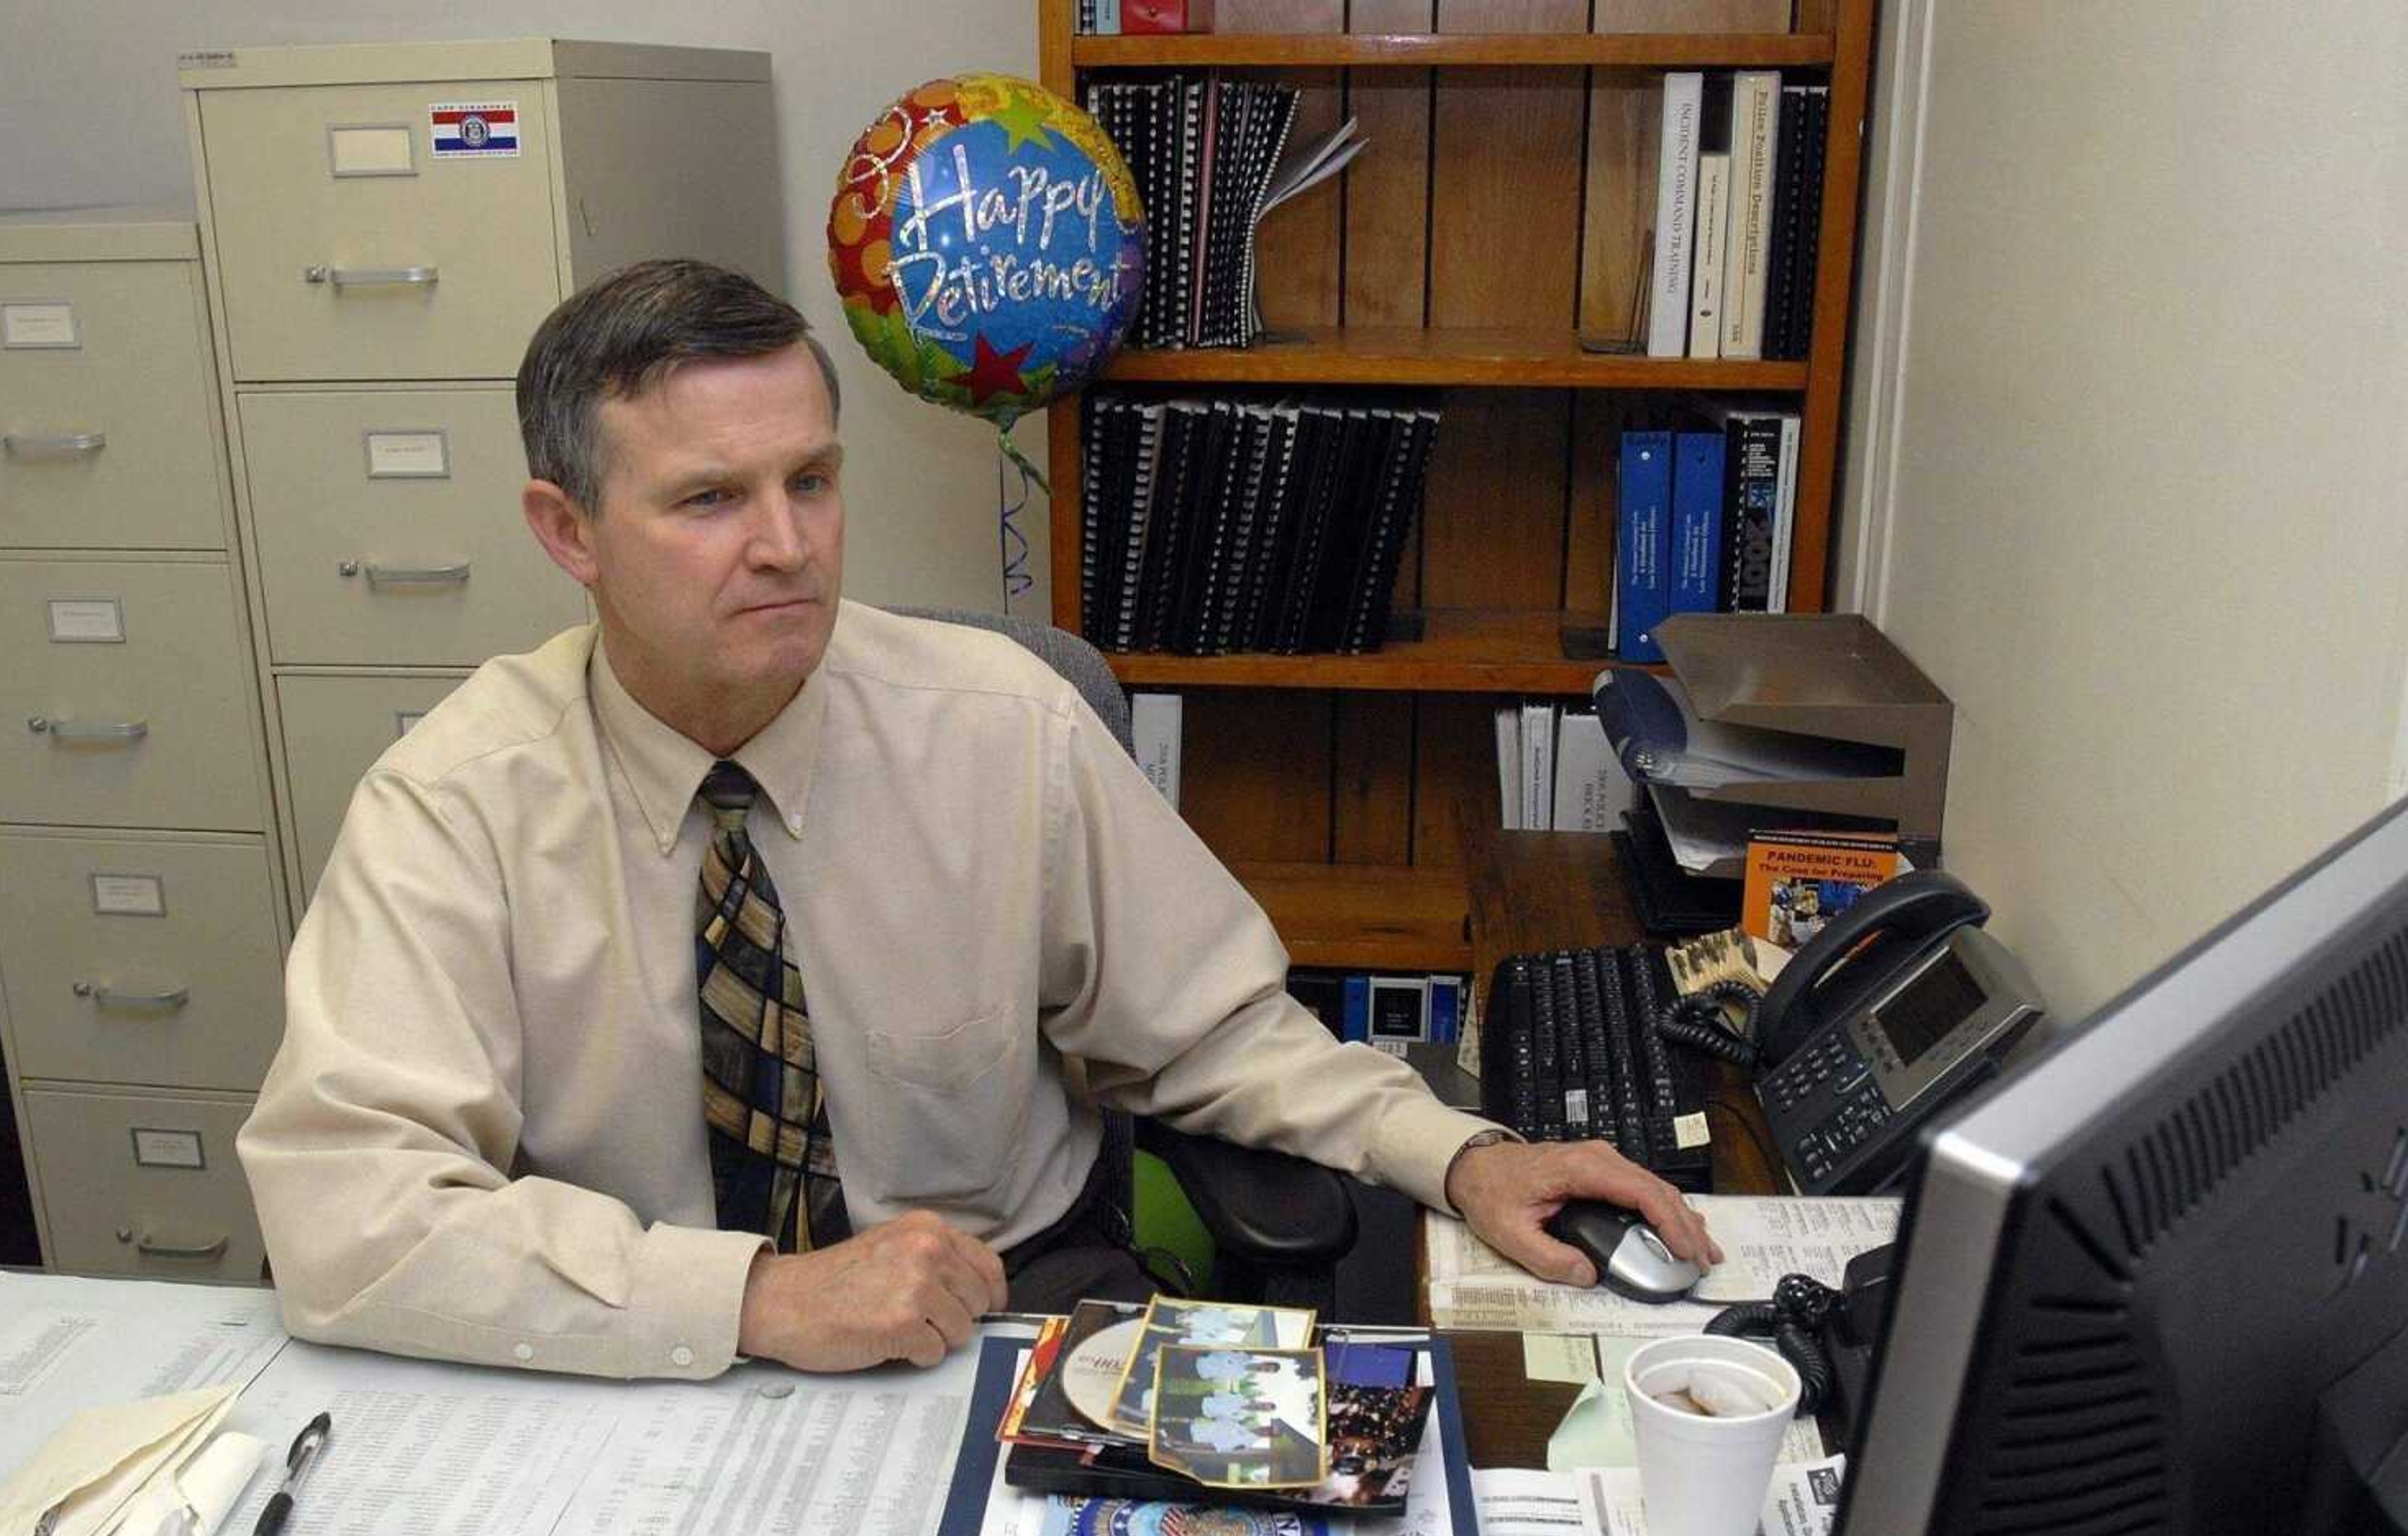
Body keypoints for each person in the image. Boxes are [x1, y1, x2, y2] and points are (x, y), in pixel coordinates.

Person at [239, 259, 1719, 1380]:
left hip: (1011, 1313)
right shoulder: (456, 799)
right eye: (708, 500)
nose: (786, 546)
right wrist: (752, 1296)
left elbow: (1211, 1029)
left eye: (811, 481)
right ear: (566, 531)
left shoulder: (998, 722)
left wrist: (1458, 1154)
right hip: (640, 1356)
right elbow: (345, 1206)